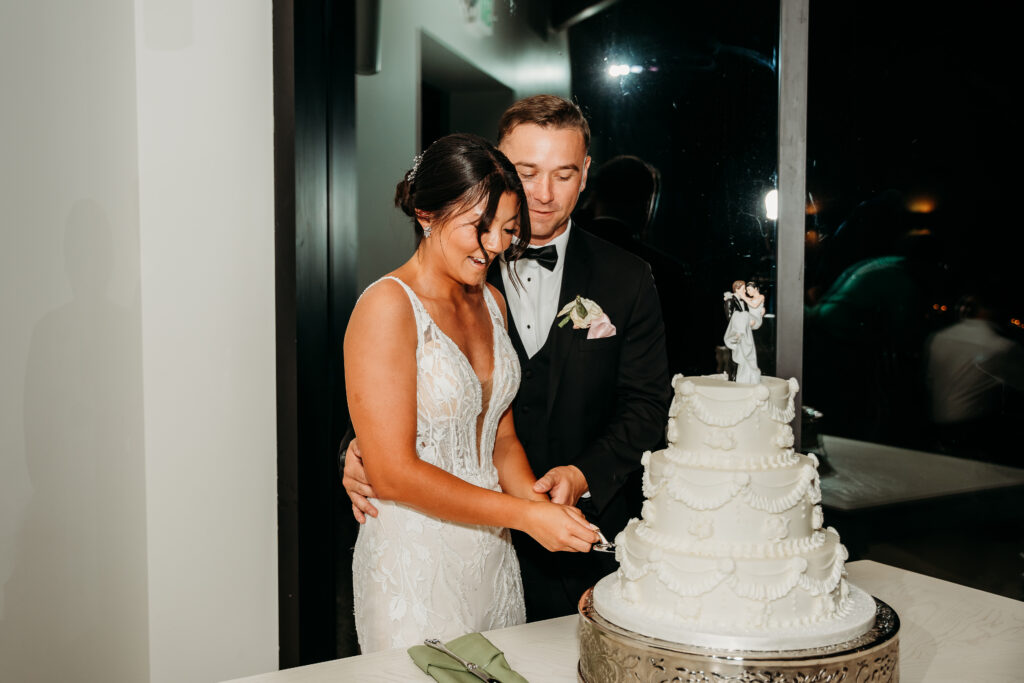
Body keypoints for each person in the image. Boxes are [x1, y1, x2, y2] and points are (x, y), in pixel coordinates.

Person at [344, 95, 672, 621]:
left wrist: (570, 486)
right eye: (526, 172)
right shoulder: (430, 275)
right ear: (497, 166)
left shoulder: (622, 278)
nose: (542, 195)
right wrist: (355, 453)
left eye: (562, 174)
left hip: (542, 541)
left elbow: (644, 403)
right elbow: (392, 407)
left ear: (585, 174)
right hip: (434, 547)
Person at [343, 133, 600, 653]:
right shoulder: (387, 306)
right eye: (478, 227)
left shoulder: (492, 304)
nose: (495, 245)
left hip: (492, 555)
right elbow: (391, 472)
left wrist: (537, 501)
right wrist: (524, 516)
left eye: (506, 229)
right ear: (426, 214)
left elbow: (499, 439)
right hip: (414, 560)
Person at [723, 279, 761, 383]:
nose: (745, 292)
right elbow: (730, 318)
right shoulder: (729, 301)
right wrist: (742, 323)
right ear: (737, 289)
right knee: (735, 357)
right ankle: (733, 378)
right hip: (736, 334)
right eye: (744, 289)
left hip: (745, 334)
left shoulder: (743, 301)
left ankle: (744, 378)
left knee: (747, 355)